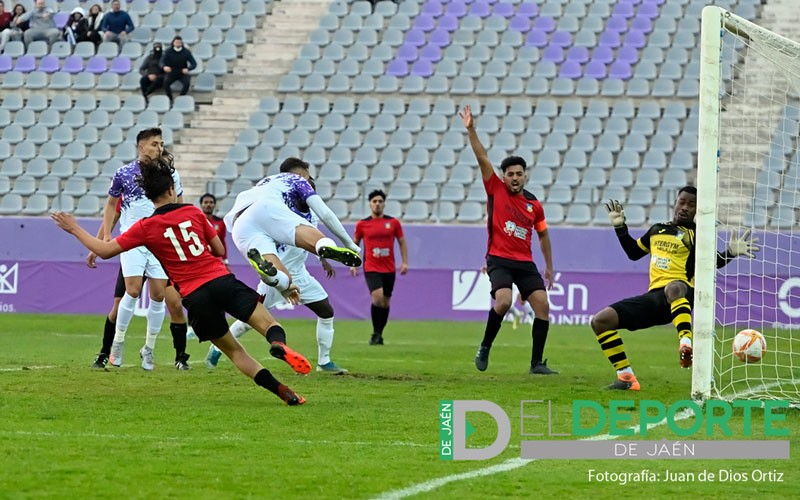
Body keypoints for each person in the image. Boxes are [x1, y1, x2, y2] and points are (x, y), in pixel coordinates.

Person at [52, 160, 310, 405]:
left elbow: (105, 250)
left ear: (149, 197)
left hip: (195, 296)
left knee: (235, 352)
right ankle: (278, 344)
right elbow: (219, 249)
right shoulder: (193, 211)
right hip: (220, 280)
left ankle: (282, 391)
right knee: (269, 324)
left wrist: (74, 228)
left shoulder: (145, 226)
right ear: (172, 189)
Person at [595, 190, 760, 391]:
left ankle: (685, 341)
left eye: (691, 205)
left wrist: (731, 253)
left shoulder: (697, 234)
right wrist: (620, 227)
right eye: (682, 202)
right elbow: (634, 253)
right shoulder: (657, 229)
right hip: (655, 298)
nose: (685, 207)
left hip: (682, 293)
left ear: (696, 210)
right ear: (676, 203)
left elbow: (712, 261)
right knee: (601, 321)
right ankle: (626, 377)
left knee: (673, 287)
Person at [460, 104, 557, 375]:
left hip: (525, 262)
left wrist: (548, 266)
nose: (514, 178)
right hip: (499, 259)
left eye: (519, 174)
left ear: (525, 175)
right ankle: (485, 346)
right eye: (510, 174)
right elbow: (481, 157)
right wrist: (471, 130)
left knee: (542, 305)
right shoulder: (495, 188)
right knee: (503, 302)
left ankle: (536, 363)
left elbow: (543, 234)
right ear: (504, 177)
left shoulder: (534, 205)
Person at [207, 197, 347, 374]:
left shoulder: (312, 215)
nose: (307, 190)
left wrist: (323, 259)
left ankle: (324, 362)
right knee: (251, 319)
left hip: (301, 274)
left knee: (326, 311)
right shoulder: (280, 212)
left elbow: (314, 240)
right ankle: (217, 348)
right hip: (278, 275)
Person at [102, 130, 186, 370]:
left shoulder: (170, 174)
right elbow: (111, 205)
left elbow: (178, 206)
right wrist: (107, 234)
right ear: (141, 147)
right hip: (133, 239)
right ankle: (117, 343)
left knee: (159, 295)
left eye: (161, 144)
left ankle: (148, 348)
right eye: (153, 144)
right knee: (133, 290)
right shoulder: (124, 173)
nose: (158, 148)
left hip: (160, 242)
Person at [223, 157, 361, 300]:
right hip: (265, 209)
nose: (309, 181)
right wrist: (349, 244)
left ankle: (269, 275)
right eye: (309, 177)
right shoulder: (297, 180)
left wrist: (285, 289)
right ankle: (323, 246)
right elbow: (325, 214)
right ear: (302, 174)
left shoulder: (266, 181)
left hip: (240, 227)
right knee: (317, 240)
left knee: (285, 280)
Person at [350, 190, 408, 346]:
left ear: (384, 204)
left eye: (380, 201)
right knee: (378, 298)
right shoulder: (362, 224)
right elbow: (354, 244)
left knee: (386, 303)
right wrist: (352, 262)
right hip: (371, 267)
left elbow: (402, 242)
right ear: (370, 204)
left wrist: (404, 262)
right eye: (374, 201)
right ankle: (375, 332)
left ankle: (379, 334)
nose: (377, 204)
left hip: (389, 268)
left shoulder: (393, 223)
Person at [161, 36, 196, 102]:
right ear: (173, 43)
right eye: (176, 42)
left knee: (186, 83)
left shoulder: (186, 52)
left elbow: (194, 64)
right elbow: (161, 61)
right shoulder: (168, 51)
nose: (178, 44)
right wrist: (164, 66)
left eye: (179, 42)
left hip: (182, 72)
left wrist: (188, 69)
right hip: (171, 72)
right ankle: (170, 99)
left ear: (181, 43)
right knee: (165, 83)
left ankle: (180, 98)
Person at [199, 193, 228, 267]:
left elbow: (222, 240)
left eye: (211, 202)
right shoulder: (196, 221)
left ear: (214, 205)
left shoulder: (220, 222)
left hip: (215, 258)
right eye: (205, 202)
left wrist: (225, 259)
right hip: (200, 258)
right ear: (201, 204)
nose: (208, 205)